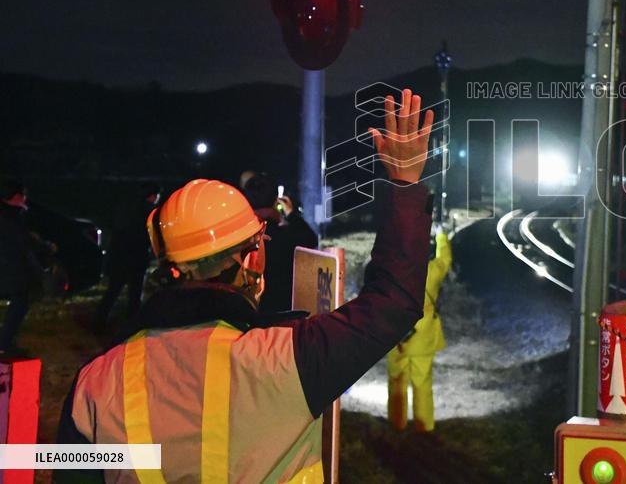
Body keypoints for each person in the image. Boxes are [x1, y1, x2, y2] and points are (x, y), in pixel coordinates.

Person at [56, 89, 434, 482]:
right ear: (249, 258)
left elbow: (66, 471)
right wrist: (405, 184)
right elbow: (393, 304)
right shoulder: (288, 361)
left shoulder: (97, 381)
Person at [387, 224, 453, 432]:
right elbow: (445, 260)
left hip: (396, 335)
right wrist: (441, 235)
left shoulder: (391, 273)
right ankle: (424, 426)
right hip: (423, 336)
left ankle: (397, 423)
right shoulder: (431, 271)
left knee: (396, 381)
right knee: (422, 383)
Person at [241, 173, 318, 314]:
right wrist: (292, 214)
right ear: (276, 200)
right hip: (282, 317)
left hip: (248, 317)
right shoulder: (288, 236)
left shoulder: (240, 237)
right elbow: (311, 239)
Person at [94, 182, 161, 330]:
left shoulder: (127, 208)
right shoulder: (150, 213)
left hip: (120, 255)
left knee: (113, 290)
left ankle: (99, 321)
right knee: (135, 293)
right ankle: (132, 325)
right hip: (138, 257)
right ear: (153, 196)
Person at [0, 180, 40, 355]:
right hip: (9, 269)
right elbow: (21, 244)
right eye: (23, 196)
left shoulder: (8, 215)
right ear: (16, 197)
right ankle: (5, 342)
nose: (25, 200)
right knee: (20, 301)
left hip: (8, 268)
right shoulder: (10, 217)